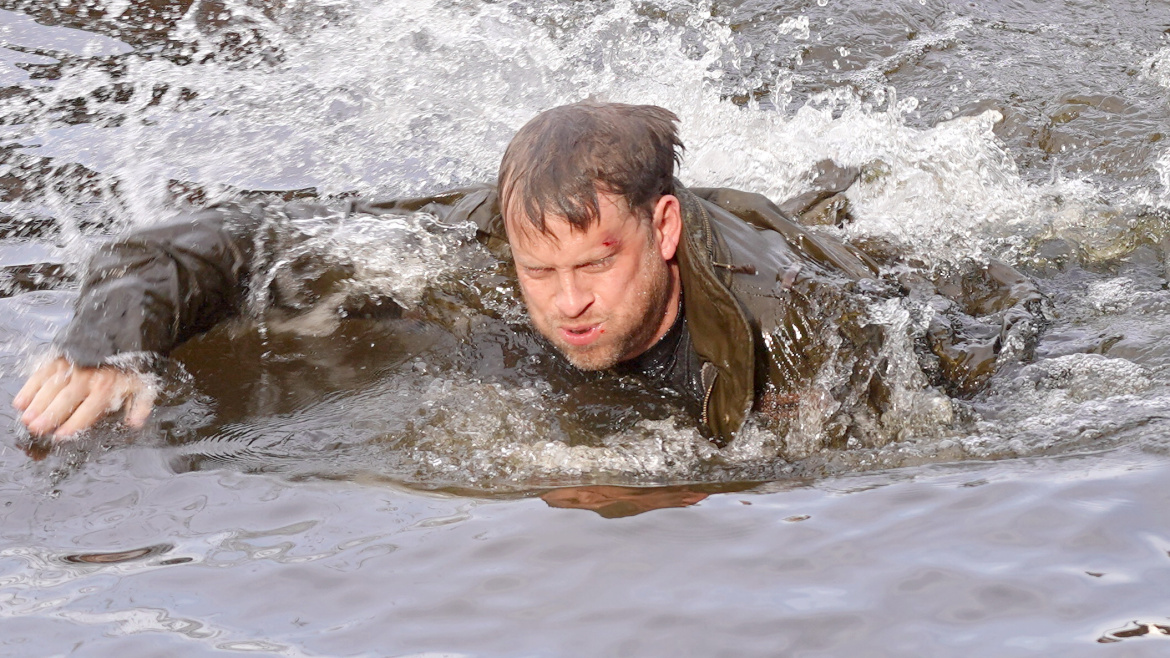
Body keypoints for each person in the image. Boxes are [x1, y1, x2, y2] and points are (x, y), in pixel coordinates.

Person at [12, 101, 1046, 449]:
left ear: (664, 228)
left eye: (598, 261)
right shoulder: (480, 236)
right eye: (539, 268)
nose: (569, 300)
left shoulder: (794, 328)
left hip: (852, 271)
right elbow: (229, 237)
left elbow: (909, 421)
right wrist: (110, 336)